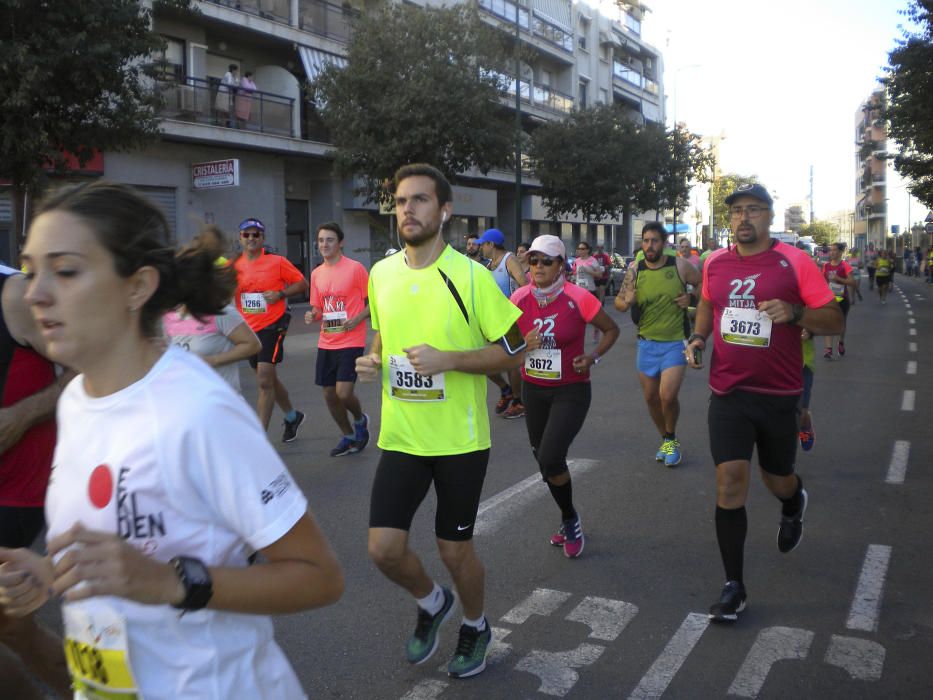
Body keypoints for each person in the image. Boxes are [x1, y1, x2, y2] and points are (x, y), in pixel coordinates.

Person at [0, 181, 343, 699]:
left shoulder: (197, 409)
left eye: (66, 270)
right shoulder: (73, 403)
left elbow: (319, 576)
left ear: (136, 287)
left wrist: (173, 582)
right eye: (30, 269)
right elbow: (120, 554)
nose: (35, 293)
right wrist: (48, 574)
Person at [356, 164, 525, 678]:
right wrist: (371, 358)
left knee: (455, 550)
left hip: (459, 440)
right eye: (401, 200)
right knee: (383, 549)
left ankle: (475, 624)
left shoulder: (471, 276)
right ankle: (432, 603)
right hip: (403, 437)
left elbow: (515, 350)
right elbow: (383, 337)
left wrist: (450, 359)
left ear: (444, 211)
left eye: (420, 200)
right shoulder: (380, 274)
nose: (408, 208)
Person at [685, 183, 843, 622]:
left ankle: (793, 501)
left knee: (777, 478)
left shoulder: (795, 262)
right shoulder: (715, 262)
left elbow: (833, 318)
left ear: (769, 217)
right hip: (729, 393)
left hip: (779, 394)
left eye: (753, 210)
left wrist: (794, 313)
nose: (744, 218)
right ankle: (734, 586)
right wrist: (699, 337)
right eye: (736, 211)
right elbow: (706, 304)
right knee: (730, 482)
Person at [510, 235, 619, 558]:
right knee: (543, 459)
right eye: (533, 261)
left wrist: (593, 356)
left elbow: (612, 329)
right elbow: (507, 341)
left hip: (571, 389)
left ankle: (570, 519)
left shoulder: (578, 297)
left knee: (550, 457)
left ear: (561, 265)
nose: (538, 267)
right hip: (534, 389)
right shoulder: (517, 298)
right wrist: (519, 347)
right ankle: (567, 515)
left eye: (546, 261)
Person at [0, 265, 71, 699]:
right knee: (13, 630)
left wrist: (21, 414)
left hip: (13, 494)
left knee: (15, 630)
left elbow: (88, 366)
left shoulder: (14, 296)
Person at [615, 222, 702, 467]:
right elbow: (620, 304)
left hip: (676, 342)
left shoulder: (680, 266)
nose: (649, 245)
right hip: (646, 343)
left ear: (664, 244)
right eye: (645, 241)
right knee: (651, 397)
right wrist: (628, 300)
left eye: (654, 241)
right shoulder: (635, 270)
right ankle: (666, 438)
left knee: (667, 395)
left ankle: (671, 439)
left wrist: (692, 297)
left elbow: (703, 284)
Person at [234, 217, 310, 441]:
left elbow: (302, 283)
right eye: (246, 235)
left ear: (263, 238)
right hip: (248, 329)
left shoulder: (277, 262)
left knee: (265, 379)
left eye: (255, 234)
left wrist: (281, 294)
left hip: (273, 324)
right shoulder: (234, 266)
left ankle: (259, 439)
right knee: (268, 379)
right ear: (240, 238)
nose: (251, 238)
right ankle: (291, 416)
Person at [163, 225, 261, 393]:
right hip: (185, 403)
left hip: (222, 403)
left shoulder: (220, 313)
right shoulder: (168, 315)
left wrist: (213, 360)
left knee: (266, 377)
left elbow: (252, 345)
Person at [304, 221, 371, 457]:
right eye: (321, 240)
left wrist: (356, 319)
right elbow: (318, 308)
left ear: (340, 243)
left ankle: (360, 420)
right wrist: (312, 315)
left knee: (343, 393)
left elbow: (372, 303)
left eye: (330, 239)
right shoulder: (316, 274)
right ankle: (348, 435)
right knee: (328, 394)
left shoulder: (355, 269)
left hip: (351, 340)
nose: (325, 244)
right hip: (327, 341)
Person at [478, 228, 527, 420]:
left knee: (511, 362)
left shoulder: (509, 260)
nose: (481, 247)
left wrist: (511, 304)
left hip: (509, 320)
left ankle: (518, 401)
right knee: (482, 359)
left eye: (483, 244)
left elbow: (524, 286)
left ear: (491, 244)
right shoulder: (489, 264)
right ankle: (505, 389)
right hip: (491, 319)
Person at [821, 242, 857, 359]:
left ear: (840, 252)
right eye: (831, 250)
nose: (832, 252)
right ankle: (828, 349)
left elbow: (852, 282)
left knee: (841, 324)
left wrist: (838, 279)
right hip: (829, 299)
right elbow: (821, 281)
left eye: (835, 250)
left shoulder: (845, 266)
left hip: (842, 299)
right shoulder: (826, 266)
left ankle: (840, 342)